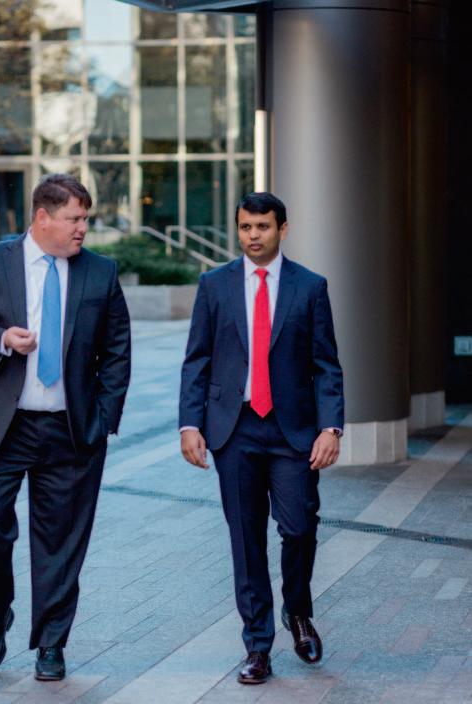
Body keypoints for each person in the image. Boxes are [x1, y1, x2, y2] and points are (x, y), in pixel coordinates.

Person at [0, 174, 131, 681]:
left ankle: (51, 642)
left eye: (86, 218)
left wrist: (102, 419)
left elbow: (117, 351)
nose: (83, 228)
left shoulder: (101, 272)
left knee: (61, 542)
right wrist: (1, 339)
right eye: (74, 219)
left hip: (71, 430)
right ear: (42, 217)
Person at [179, 192, 344, 685]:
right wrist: (190, 424)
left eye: (263, 227)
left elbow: (326, 364)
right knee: (246, 539)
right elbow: (197, 359)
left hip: (293, 432)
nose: (253, 235)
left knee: (299, 527)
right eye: (246, 227)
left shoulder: (310, 287)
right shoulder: (214, 284)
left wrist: (330, 427)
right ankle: (258, 646)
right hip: (234, 430)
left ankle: (298, 610)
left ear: (282, 229)